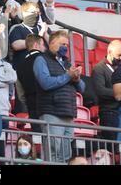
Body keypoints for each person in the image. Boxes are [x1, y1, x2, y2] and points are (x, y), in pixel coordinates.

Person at [33, 30, 85, 163]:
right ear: (52, 43)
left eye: (67, 45)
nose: (65, 48)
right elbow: (45, 83)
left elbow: (83, 88)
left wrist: (77, 78)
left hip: (68, 114)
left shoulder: (66, 63)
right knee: (53, 155)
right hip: (52, 113)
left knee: (66, 156)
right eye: (63, 44)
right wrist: (68, 76)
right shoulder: (41, 59)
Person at [91, 40, 121, 140]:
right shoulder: (99, 69)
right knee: (113, 145)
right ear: (109, 52)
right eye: (119, 55)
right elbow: (101, 91)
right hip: (109, 112)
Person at [16, 34, 46, 131]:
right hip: (47, 105)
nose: (44, 48)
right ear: (36, 45)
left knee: (38, 136)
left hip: (31, 105)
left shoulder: (19, 65)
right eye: (43, 45)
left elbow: (20, 94)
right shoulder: (45, 59)